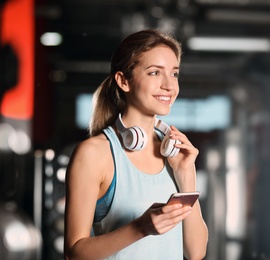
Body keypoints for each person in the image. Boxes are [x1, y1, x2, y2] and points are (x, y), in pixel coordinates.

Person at [64, 29, 208, 260]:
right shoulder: (94, 153)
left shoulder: (174, 154)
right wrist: (140, 228)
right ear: (123, 81)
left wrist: (185, 174)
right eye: (154, 73)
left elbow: (195, 252)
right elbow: (74, 254)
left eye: (174, 74)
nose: (169, 86)